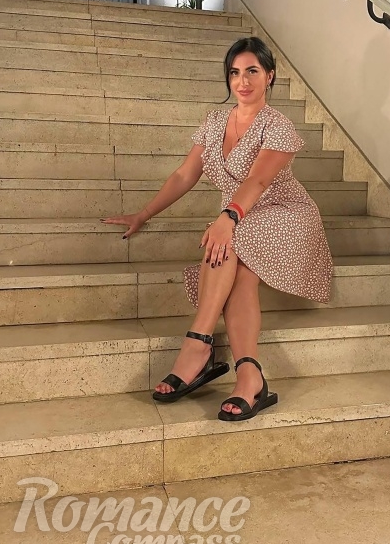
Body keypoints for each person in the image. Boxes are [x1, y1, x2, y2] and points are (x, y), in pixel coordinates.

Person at [101, 36, 333, 421]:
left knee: (227, 235)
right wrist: (144, 213)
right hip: (242, 215)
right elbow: (184, 174)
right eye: (235, 72)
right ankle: (249, 375)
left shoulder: (277, 125)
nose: (243, 81)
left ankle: (197, 346)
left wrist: (228, 218)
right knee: (238, 270)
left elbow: (258, 181)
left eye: (252, 71)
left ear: (270, 76)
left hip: (285, 213)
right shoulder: (214, 122)